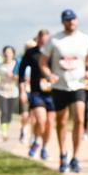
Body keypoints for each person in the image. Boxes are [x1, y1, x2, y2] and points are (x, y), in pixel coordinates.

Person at [40, 9, 88, 173]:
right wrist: (49, 74)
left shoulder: (84, 38)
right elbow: (43, 61)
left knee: (79, 118)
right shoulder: (55, 39)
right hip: (60, 85)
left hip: (78, 84)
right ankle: (63, 153)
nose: (71, 22)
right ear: (63, 22)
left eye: (73, 19)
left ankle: (76, 157)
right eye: (67, 20)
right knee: (62, 121)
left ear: (77, 20)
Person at [19, 30, 55, 160]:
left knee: (50, 122)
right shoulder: (31, 53)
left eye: (47, 39)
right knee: (41, 120)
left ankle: (43, 146)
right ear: (38, 39)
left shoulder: (54, 52)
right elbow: (21, 73)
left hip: (52, 92)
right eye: (42, 39)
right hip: (36, 92)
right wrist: (22, 91)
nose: (45, 41)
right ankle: (36, 140)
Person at [0, 46, 20, 141]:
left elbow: (20, 77)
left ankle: (7, 129)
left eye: (9, 52)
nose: (7, 54)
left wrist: (14, 76)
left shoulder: (16, 64)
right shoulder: (0, 66)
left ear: (13, 54)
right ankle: (4, 133)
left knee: (9, 114)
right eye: (6, 52)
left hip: (13, 92)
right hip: (2, 92)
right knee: (4, 112)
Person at [17, 38, 36, 144]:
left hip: (35, 91)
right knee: (25, 114)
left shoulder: (38, 58)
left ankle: (33, 136)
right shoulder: (20, 61)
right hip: (25, 90)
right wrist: (22, 91)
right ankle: (24, 130)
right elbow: (18, 76)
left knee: (34, 115)